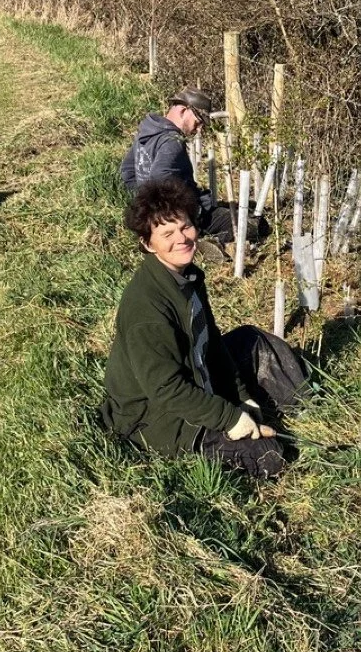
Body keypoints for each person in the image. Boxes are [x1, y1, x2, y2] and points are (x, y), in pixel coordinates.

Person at [101, 178, 289, 479]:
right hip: (152, 413)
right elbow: (165, 389)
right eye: (167, 233)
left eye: (185, 226)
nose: (182, 238)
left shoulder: (187, 277)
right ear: (148, 244)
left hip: (192, 377)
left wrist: (242, 396)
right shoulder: (147, 309)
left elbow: (211, 341)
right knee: (268, 456)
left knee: (253, 340)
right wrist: (229, 418)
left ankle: (299, 406)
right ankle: (246, 437)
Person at [119, 87, 267, 257]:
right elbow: (159, 178)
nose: (199, 130)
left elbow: (127, 171)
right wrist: (188, 212)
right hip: (185, 214)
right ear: (183, 110)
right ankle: (207, 243)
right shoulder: (172, 141)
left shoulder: (146, 133)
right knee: (255, 225)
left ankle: (175, 237)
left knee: (242, 208)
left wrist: (144, 209)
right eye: (198, 122)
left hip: (156, 215)